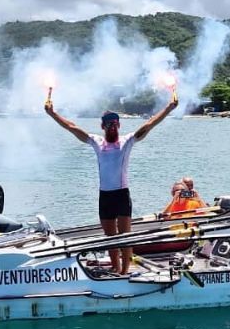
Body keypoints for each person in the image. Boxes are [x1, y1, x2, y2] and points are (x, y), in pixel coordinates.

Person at [45, 96, 178, 274]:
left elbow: (149, 124)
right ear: (103, 127)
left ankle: (124, 271)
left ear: (119, 126)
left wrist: (168, 108)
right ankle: (116, 268)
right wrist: (53, 113)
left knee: (125, 238)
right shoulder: (96, 142)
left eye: (115, 124)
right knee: (110, 238)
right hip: (105, 196)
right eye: (109, 124)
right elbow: (72, 127)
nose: (112, 127)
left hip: (121, 195)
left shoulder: (127, 141)